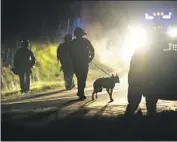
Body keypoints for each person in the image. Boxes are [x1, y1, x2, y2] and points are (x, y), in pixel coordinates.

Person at [69, 27, 95, 100]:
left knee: (80, 78)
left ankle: (80, 91)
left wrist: (90, 58)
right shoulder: (85, 41)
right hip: (81, 63)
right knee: (82, 78)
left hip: (79, 63)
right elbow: (92, 51)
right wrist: (90, 58)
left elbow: (92, 51)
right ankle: (81, 92)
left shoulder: (73, 42)